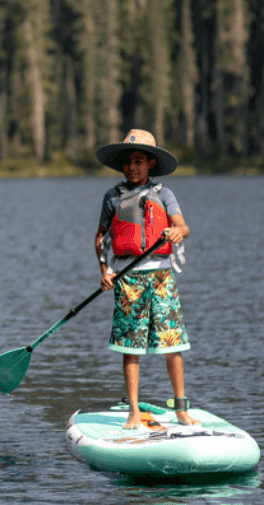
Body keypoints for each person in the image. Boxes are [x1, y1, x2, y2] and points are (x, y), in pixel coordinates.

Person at [94, 129, 198, 429]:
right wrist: (105, 271)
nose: (132, 167)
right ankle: (134, 413)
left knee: (172, 345)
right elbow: (101, 238)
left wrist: (179, 232)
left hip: (162, 277)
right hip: (129, 281)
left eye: (139, 161)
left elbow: (183, 226)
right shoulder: (113, 197)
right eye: (128, 162)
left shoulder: (164, 194)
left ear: (150, 163)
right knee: (131, 348)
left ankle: (180, 408)